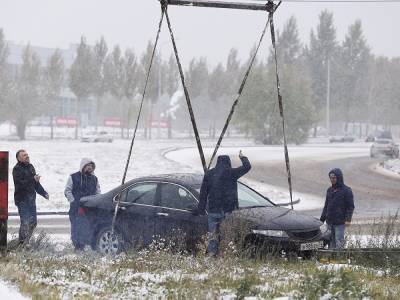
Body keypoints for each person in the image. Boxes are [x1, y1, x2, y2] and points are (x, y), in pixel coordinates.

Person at [198, 150, 251, 256]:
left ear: (217, 162)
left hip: (213, 210)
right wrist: (243, 157)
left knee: (213, 235)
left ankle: (212, 254)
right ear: (228, 162)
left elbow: (203, 193)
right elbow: (247, 167)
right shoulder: (232, 172)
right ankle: (225, 253)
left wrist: (201, 209)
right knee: (227, 234)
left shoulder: (209, 174)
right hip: (228, 210)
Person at [12, 149, 49, 244]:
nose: (27, 156)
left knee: (33, 222)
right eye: (24, 155)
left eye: (27, 154)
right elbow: (20, 184)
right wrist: (33, 179)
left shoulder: (31, 167)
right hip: (22, 199)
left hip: (31, 199)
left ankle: (26, 241)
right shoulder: (17, 169)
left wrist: (43, 192)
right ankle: (22, 243)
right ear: (19, 158)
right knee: (25, 222)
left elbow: (35, 183)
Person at [64, 158, 100, 250]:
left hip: (90, 208)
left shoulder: (94, 179)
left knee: (89, 227)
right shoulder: (73, 177)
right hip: (76, 208)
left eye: (91, 166)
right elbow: (67, 191)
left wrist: (96, 202)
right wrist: (73, 201)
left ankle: (87, 245)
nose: (90, 168)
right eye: (88, 165)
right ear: (83, 166)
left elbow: (98, 192)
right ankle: (77, 246)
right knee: (76, 227)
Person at [320, 168, 355, 249]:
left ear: (339, 177)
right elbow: (326, 206)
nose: (332, 180)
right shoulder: (329, 190)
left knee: (339, 241)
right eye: (331, 178)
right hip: (329, 222)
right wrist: (321, 220)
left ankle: (340, 259)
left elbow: (350, 206)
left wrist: (348, 219)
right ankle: (331, 259)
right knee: (330, 241)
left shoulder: (346, 190)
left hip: (340, 222)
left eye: (334, 178)